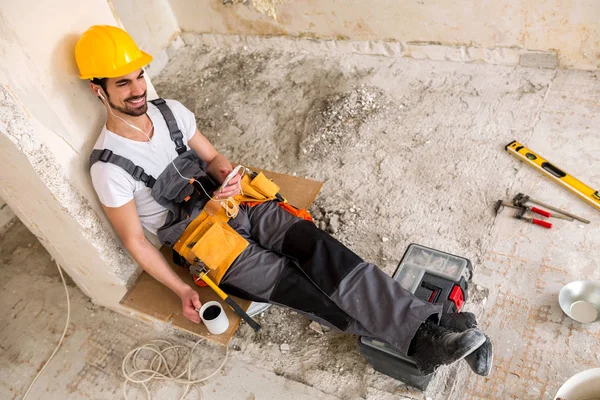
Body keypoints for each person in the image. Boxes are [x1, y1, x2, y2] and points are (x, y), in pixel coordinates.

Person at [75, 25, 493, 377]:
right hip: (204, 243)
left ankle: (433, 336)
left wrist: (228, 179)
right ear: (98, 90)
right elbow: (136, 241)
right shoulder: (109, 166)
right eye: (123, 83)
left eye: (139, 75)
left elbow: (214, 157)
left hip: (237, 203)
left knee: (323, 252)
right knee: (306, 289)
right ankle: (435, 331)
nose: (137, 89)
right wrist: (182, 288)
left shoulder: (170, 112)